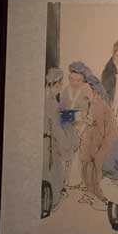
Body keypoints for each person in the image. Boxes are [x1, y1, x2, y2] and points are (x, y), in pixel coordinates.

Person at [66, 61, 118, 210]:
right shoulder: (86, 101)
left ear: (93, 90)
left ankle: (99, 196)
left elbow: (101, 131)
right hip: (89, 141)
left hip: (102, 143)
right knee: (85, 164)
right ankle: (90, 192)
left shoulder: (99, 104)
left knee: (96, 166)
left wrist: (93, 147)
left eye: (85, 88)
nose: (82, 90)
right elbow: (65, 116)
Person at [41, 68, 81, 212]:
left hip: (50, 141)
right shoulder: (50, 101)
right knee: (52, 173)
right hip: (50, 144)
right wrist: (69, 142)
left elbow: (59, 115)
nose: (60, 86)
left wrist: (74, 115)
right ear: (54, 84)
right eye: (58, 83)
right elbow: (56, 125)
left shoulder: (51, 99)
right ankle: (51, 202)